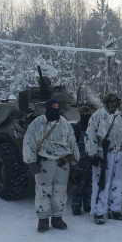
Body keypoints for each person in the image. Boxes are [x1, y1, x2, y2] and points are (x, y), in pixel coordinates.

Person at [23, 99, 80, 232]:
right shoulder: (37, 123)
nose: (55, 108)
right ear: (47, 108)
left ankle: (57, 217)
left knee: (60, 191)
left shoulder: (65, 124)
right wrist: (31, 161)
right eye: (52, 106)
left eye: (57, 106)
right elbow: (29, 141)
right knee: (43, 191)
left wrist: (74, 162)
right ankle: (43, 219)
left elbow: (72, 143)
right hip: (45, 162)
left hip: (62, 163)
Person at [85, 93, 122, 225]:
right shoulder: (97, 116)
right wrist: (92, 155)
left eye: (116, 102)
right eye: (112, 102)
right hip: (103, 153)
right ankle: (99, 212)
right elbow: (91, 136)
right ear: (107, 102)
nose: (114, 104)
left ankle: (115, 210)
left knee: (117, 183)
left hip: (118, 152)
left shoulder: (121, 118)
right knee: (101, 183)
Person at [71, 106, 93, 215]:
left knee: (90, 184)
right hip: (80, 160)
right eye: (86, 113)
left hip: (91, 159)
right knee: (78, 184)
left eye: (89, 113)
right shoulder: (77, 128)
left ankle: (87, 204)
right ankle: (76, 206)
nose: (88, 115)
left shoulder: (92, 127)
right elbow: (72, 145)